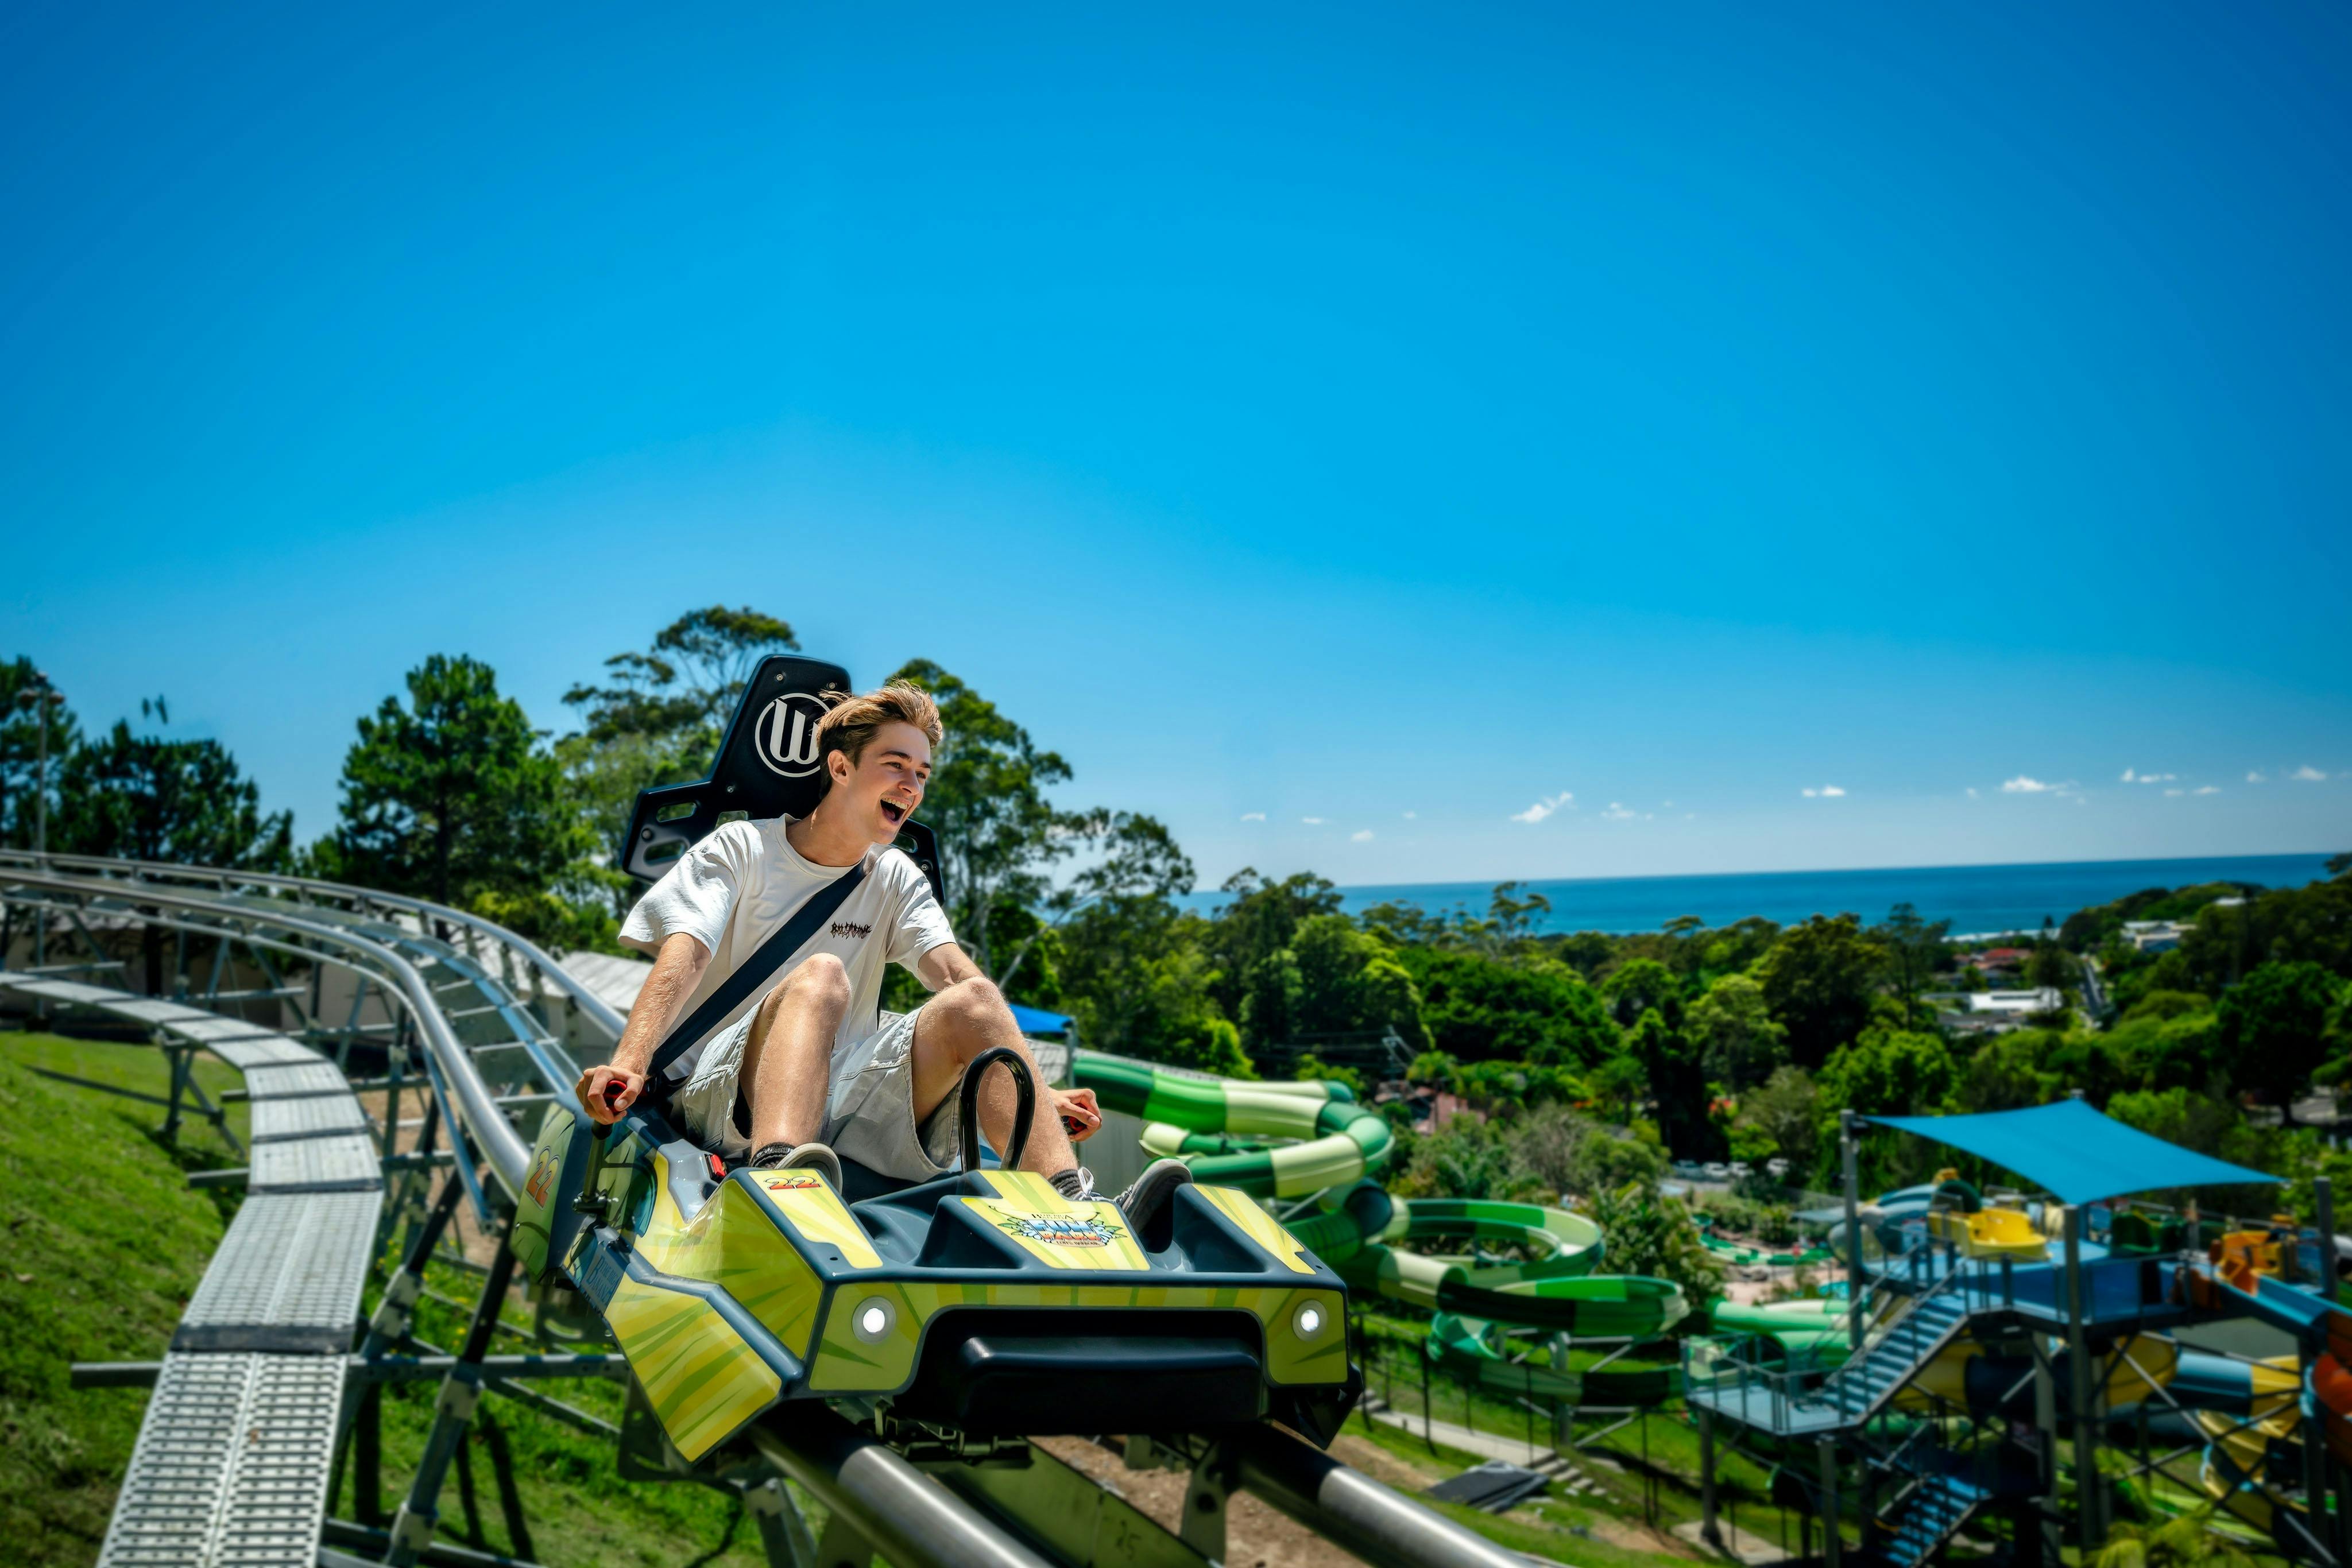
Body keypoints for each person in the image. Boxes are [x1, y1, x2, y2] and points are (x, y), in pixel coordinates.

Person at [573, 680, 1190, 1228]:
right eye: (896, 766)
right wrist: (628, 1061)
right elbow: (688, 955)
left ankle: (1076, 1207)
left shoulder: (892, 875)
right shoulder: (742, 850)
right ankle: (779, 1188)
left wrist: (1031, 1088)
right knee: (821, 976)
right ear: (840, 768)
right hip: (719, 1095)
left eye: (922, 774)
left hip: (846, 1100)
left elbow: (952, 970)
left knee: (974, 999)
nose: (911, 786)